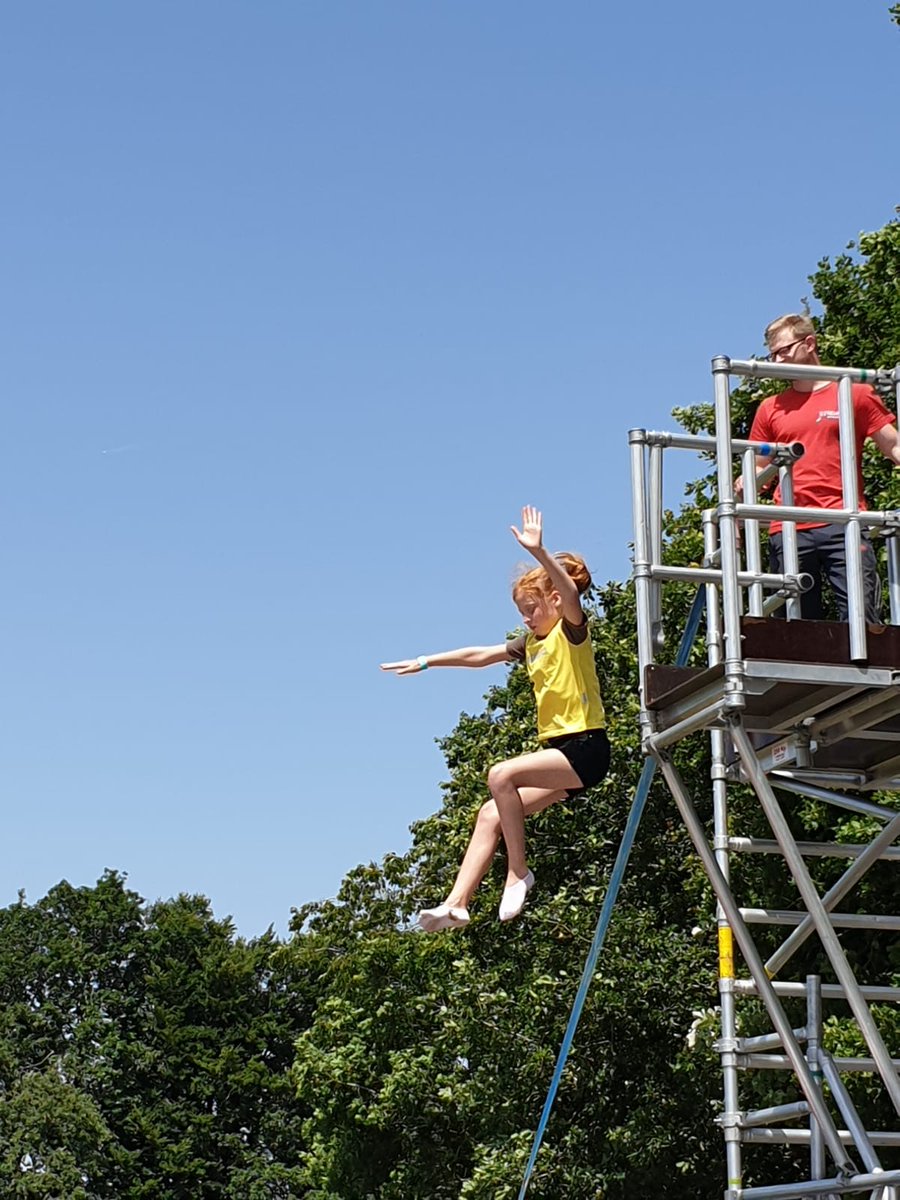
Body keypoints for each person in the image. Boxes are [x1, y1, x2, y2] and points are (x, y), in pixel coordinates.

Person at [380, 507, 610, 932]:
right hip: (560, 756)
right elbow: (479, 655)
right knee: (490, 813)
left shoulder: (571, 631)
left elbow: (570, 595)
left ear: (554, 601)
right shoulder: (533, 643)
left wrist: (539, 552)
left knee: (500, 775)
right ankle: (456, 903)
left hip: (586, 748)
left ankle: (517, 872)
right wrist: (426, 661)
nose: (525, 619)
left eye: (530, 609)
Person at [747, 313, 900, 622]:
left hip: (844, 521)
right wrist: (737, 500)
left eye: (783, 350)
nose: (777, 361)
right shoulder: (770, 407)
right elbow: (757, 472)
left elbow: (893, 445)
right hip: (789, 526)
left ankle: (862, 669)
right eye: (772, 354)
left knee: (862, 617)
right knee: (796, 627)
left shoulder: (853, 392)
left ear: (810, 343)